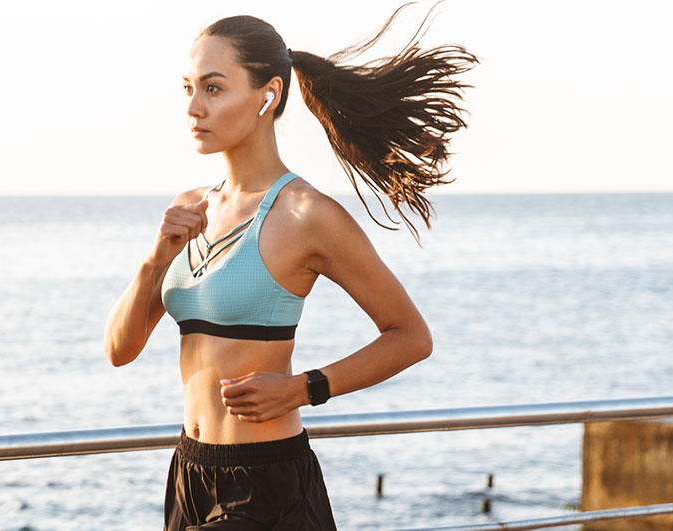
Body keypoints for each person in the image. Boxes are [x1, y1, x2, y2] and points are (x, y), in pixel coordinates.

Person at [103, 3, 477, 529]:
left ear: (268, 94)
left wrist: (303, 388)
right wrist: (154, 259)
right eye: (187, 88)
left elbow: (411, 336)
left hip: (267, 486)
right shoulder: (189, 207)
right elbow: (120, 350)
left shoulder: (308, 215)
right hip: (189, 474)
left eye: (213, 88)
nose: (193, 107)